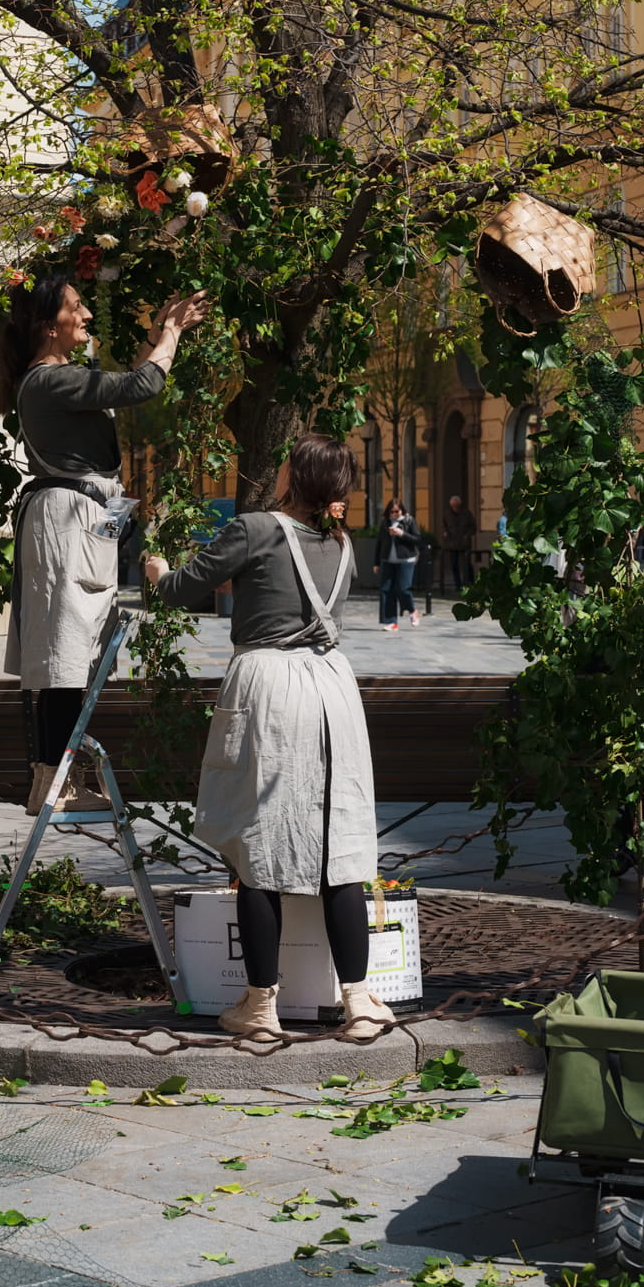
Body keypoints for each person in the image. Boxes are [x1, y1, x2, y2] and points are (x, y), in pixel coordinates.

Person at [144, 432, 393, 1043]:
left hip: (271, 690)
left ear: (294, 476)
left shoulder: (254, 528)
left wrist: (156, 569)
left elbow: (180, 589)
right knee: (340, 849)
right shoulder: (342, 543)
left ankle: (260, 1008)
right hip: (333, 690)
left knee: (258, 848)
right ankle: (359, 1004)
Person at [0, 274, 209, 811]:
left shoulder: (59, 380)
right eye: (76, 307)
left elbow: (123, 384)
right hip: (70, 518)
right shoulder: (50, 380)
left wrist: (157, 333)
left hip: (85, 515)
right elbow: (141, 386)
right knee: (65, 653)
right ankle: (58, 783)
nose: (87, 315)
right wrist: (173, 332)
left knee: (74, 650)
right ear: (50, 325)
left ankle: (53, 780)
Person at [373, 497, 420, 631]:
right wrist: (376, 563)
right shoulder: (385, 522)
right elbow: (379, 542)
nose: (394, 514)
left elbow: (417, 539)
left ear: (402, 510)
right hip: (388, 561)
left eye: (397, 511)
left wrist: (402, 534)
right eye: (392, 512)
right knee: (386, 590)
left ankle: (412, 610)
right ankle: (391, 622)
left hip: (406, 560)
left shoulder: (409, 521)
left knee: (403, 589)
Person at [442, 494, 476, 592]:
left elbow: (473, 527)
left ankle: (471, 583)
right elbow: (444, 525)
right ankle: (458, 585)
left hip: (464, 543)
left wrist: (467, 535)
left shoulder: (466, 513)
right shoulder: (447, 514)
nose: (455, 507)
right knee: (454, 565)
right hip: (452, 544)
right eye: (453, 506)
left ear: (459, 505)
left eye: (456, 505)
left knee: (467, 564)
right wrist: (445, 532)